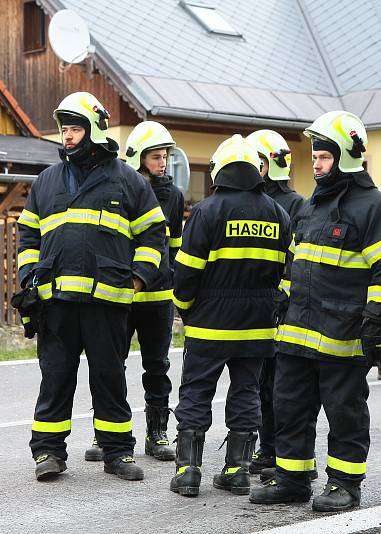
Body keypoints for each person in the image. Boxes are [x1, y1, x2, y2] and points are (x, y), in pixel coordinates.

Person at [249, 111, 381, 511]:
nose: (315, 165)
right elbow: (293, 265)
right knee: (290, 407)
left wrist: (376, 323)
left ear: (347, 156)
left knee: (344, 413)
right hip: (297, 333)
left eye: (323, 157)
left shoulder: (375, 207)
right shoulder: (311, 206)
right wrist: (281, 303)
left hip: (345, 334)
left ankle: (344, 485)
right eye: (315, 157)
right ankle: (293, 479)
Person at [17, 92, 167, 482]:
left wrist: (137, 278)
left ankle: (118, 453)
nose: (67, 137)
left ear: (96, 129)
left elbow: (153, 236)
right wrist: (29, 280)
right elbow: (27, 237)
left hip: (107, 301)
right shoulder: (47, 182)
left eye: (75, 129)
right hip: (56, 303)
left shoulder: (129, 181)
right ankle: (48, 452)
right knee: (55, 378)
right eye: (64, 130)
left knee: (109, 378)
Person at [169, 135, 291, 497]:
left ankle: (188, 472)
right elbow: (289, 273)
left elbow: (186, 272)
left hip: (209, 325)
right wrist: (272, 307)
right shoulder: (277, 214)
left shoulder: (208, 211)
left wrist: (186, 308)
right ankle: (237, 471)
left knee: (195, 393)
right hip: (257, 328)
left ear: (218, 170)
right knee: (246, 394)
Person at [83, 121, 184, 463]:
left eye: (165, 157)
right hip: (121, 295)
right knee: (110, 365)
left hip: (157, 298)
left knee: (157, 367)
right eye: (156, 157)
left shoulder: (174, 196)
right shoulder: (120, 186)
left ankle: (157, 433)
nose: (162, 164)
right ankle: (105, 431)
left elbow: (173, 247)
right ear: (138, 157)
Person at [245, 129, 309, 477]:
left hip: (279, 309)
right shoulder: (248, 199)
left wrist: (280, 297)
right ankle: (257, 443)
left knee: (273, 384)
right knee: (253, 383)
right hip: (251, 305)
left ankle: (271, 449)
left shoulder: (294, 205)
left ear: (268, 165)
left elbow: (293, 260)